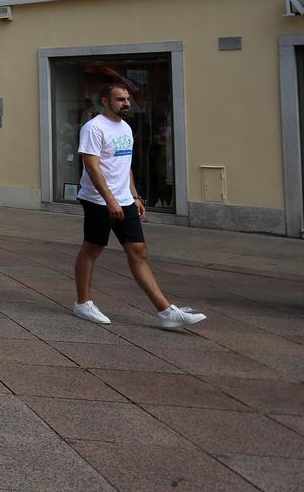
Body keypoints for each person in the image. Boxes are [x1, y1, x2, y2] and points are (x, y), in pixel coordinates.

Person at [73, 84, 206, 331]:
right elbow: (91, 167)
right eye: (120, 99)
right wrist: (110, 199)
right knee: (92, 249)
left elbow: (125, 165)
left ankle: (166, 312)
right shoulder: (93, 128)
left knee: (138, 251)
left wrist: (134, 196)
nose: (126, 103)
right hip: (98, 201)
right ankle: (82, 302)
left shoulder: (125, 127)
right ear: (104, 101)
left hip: (124, 199)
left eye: (127, 99)